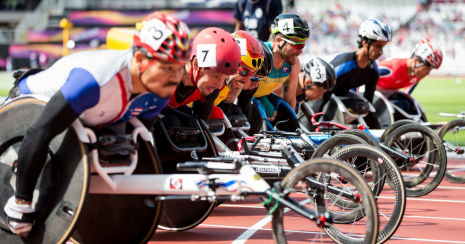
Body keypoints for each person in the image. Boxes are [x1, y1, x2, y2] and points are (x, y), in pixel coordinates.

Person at [2, 12, 192, 238]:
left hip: (90, 118)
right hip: (28, 110)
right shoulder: (95, 81)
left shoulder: (158, 93)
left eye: (180, 68)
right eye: (168, 68)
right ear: (140, 60)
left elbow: (134, 146)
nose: (175, 77)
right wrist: (21, 202)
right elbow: (37, 131)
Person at [160, 27, 242, 132]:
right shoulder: (167, 75)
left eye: (224, 78)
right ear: (196, 64)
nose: (218, 85)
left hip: (166, 109)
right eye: (216, 76)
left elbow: (202, 128)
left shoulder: (210, 88)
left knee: (192, 125)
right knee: (171, 123)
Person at [312, 18, 392, 122]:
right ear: (364, 42)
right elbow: (320, 99)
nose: (381, 52)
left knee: (363, 108)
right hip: (320, 95)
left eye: (383, 47)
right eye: (378, 46)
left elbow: (369, 103)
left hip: (341, 98)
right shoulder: (344, 65)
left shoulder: (373, 69)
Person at [253, 13, 310, 120]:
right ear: (279, 41)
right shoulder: (260, 54)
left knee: (275, 109)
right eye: (297, 45)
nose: (301, 51)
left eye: (303, 45)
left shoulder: (294, 62)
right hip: (243, 97)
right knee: (264, 111)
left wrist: (291, 126)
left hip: (261, 97)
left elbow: (289, 100)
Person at [376, 38, 443, 112]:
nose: (428, 73)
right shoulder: (392, 67)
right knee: (399, 106)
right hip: (372, 95)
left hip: (389, 96)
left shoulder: (417, 74)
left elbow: (406, 94)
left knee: (407, 105)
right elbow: (367, 73)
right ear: (416, 61)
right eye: (427, 69)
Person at [215, 30, 265, 116]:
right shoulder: (208, 75)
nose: (247, 81)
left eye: (252, 74)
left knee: (235, 114)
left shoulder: (234, 83)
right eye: (244, 72)